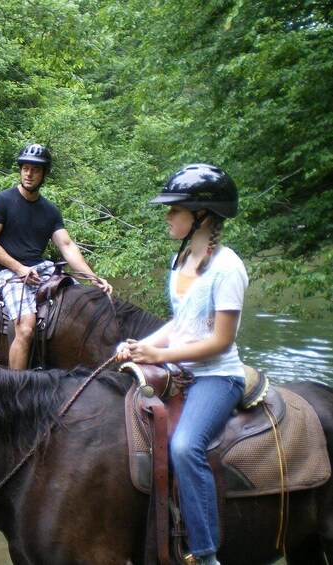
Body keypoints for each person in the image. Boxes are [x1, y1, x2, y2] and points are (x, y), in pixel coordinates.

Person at [115, 163, 248, 565]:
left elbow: (220, 341)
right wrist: (142, 345)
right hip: (180, 368)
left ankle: (206, 555)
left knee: (186, 445)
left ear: (202, 216)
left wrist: (160, 356)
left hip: (217, 376)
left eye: (175, 210)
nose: (168, 216)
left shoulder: (228, 267)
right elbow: (182, 323)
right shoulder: (182, 260)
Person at [0, 143, 112, 370]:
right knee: (26, 328)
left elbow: (67, 246)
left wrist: (92, 278)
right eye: (25, 168)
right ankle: (14, 387)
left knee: (79, 304)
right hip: (8, 272)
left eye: (35, 169)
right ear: (20, 170)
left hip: (42, 269)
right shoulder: (2, 201)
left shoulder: (50, 210)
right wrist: (20, 268)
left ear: (44, 175)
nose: (29, 174)